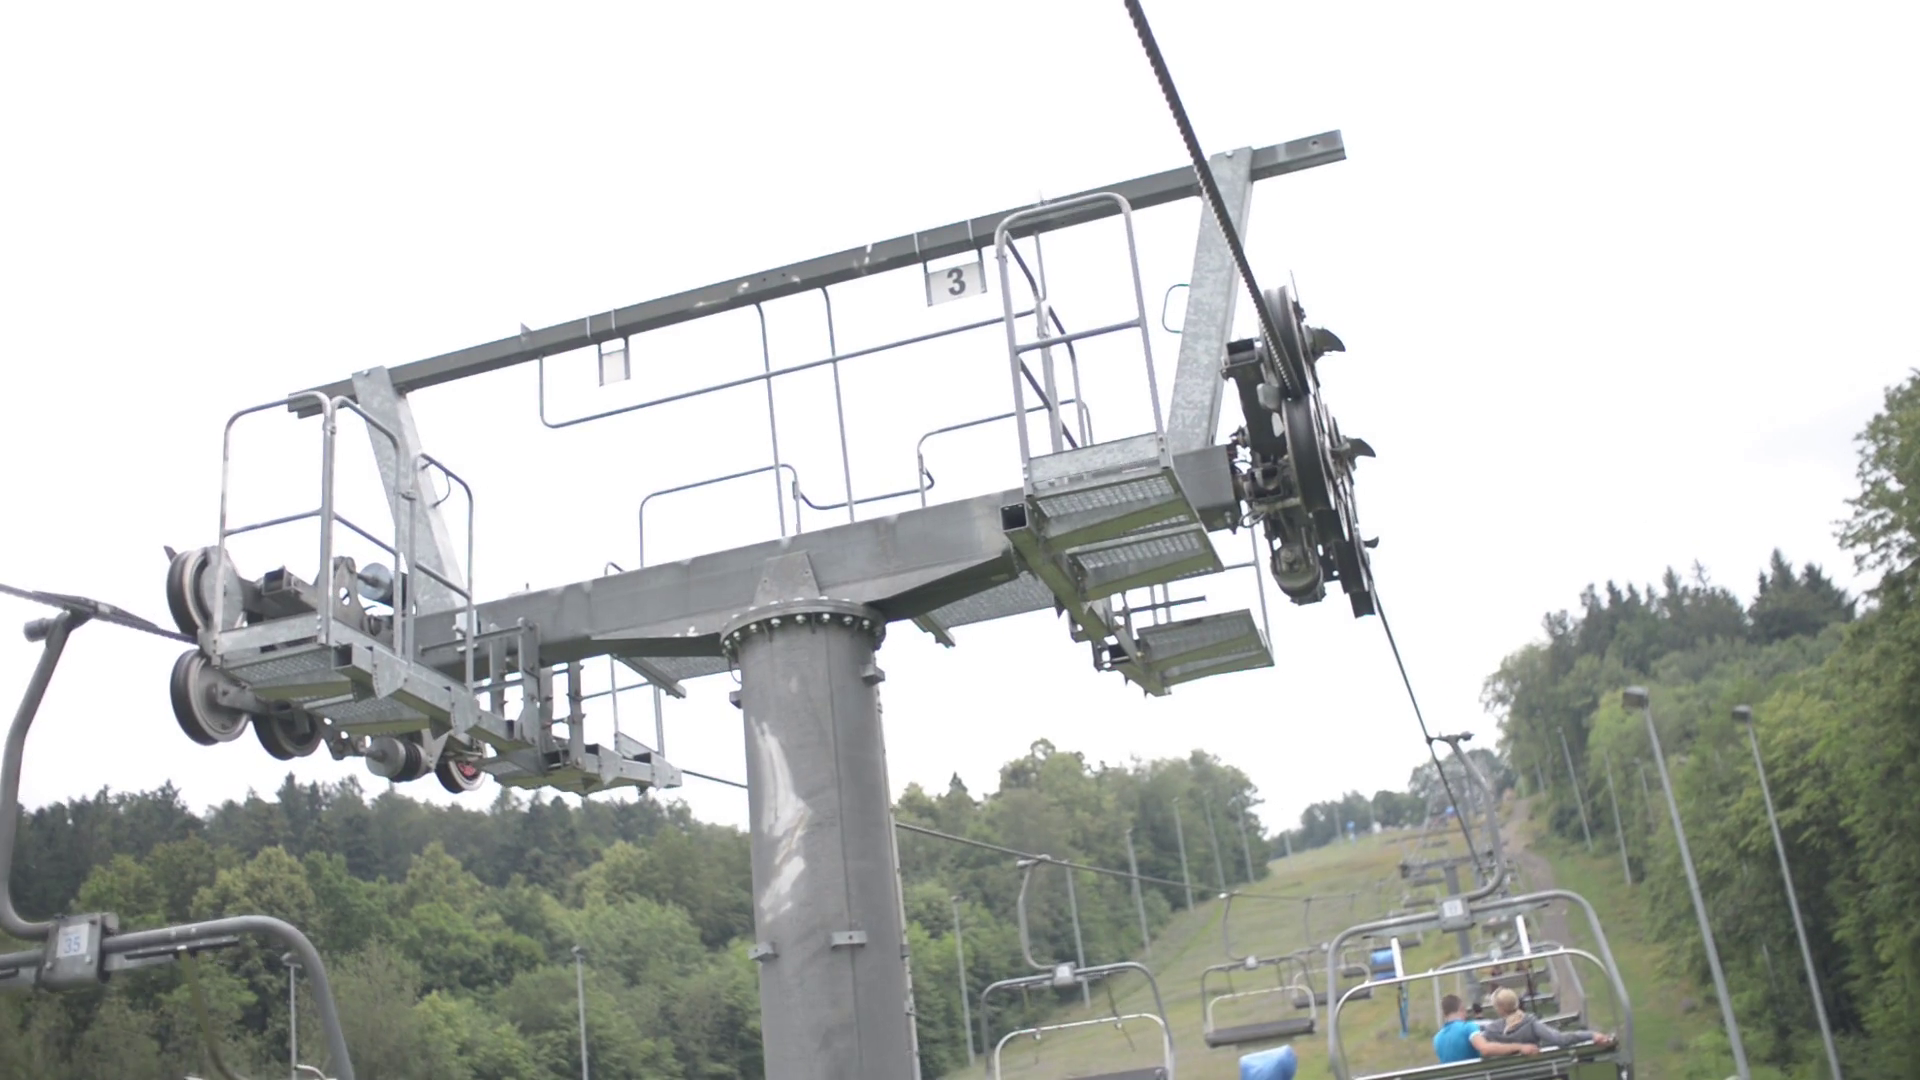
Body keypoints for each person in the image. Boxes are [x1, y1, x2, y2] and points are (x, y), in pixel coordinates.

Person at [1478, 987, 1617, 1053]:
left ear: (1499, 1008)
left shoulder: (1492, 1031)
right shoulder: (1530, 1024)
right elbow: (1560, 1039)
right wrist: (1591, 1035)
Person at [1432, 994, 1538, 1063]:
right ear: (1462, 1009)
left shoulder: (1437, 1039)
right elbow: (1485, 1049)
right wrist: (1519, 1047)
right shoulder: (1468, 1027)